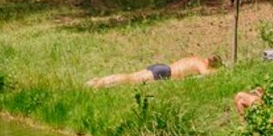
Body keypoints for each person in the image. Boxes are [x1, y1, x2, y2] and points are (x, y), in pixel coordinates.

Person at [87, 55, 220, 88]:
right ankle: (100, 83)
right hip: (165, 72)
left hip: (161, 67)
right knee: (131, 80)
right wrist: (220, 72)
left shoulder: (193, 57)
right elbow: (206, 74)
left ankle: (99, 81)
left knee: (131, 76)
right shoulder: (201, 63)